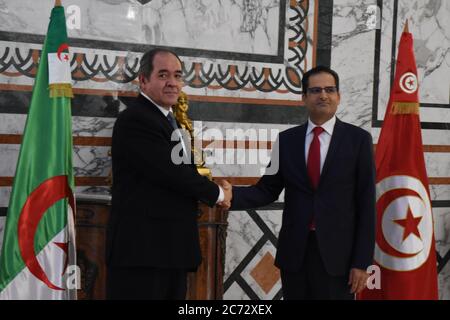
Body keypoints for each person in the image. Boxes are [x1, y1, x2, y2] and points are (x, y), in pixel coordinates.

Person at [221, 66, 376, 300]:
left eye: (329, 89)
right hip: (296, 254)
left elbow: (366, 204)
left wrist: (362, 262)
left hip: (339, 258)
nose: (323, 95)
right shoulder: (287, 140)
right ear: (304, 98)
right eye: (315, 90)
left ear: (338, 96)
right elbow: (267, 189)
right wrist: (231, 196)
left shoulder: (358, 140)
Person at [106, 48, 231, 300]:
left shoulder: (168, 119)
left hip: (167, 250)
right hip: (143, 253)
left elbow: (182, 171)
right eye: (163, 75)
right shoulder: (136, 119)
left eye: (177, 75)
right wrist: (218, 193)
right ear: (143, 80)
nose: (173, 83)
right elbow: (171, 173)